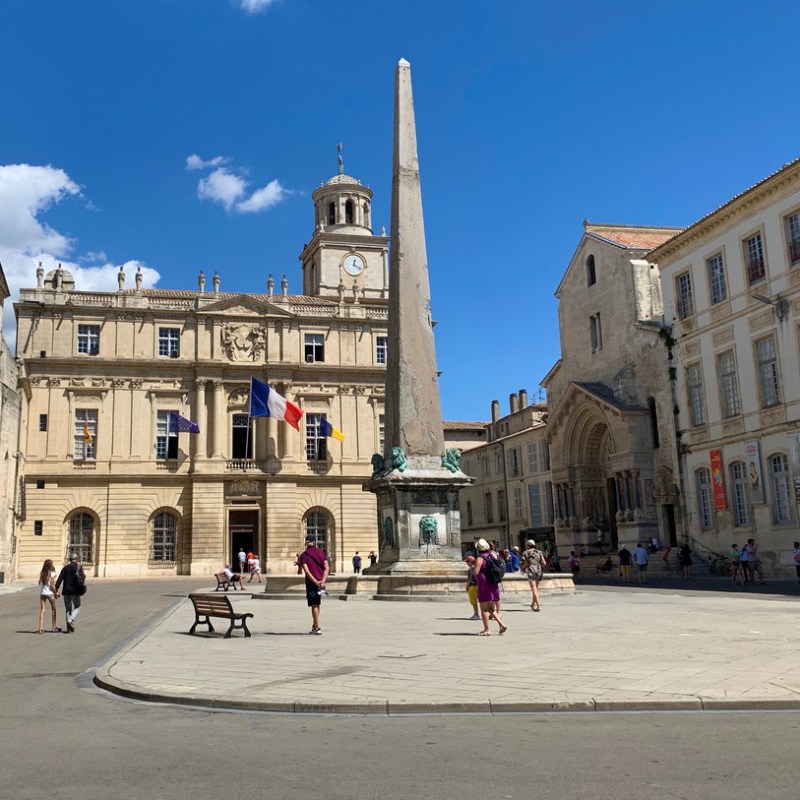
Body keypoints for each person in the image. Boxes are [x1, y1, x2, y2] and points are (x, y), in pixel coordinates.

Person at [472, 539, 507, 636]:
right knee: (491, 608)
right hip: (493, 583)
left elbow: (476, 573)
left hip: (484, 585)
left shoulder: (480, 558)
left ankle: (487, 630)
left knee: (484, 609)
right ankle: (502, 624)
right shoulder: (492, 556)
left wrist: (472, 568)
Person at [298, 537, 330, 634]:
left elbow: (307, 572)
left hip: (312, 583)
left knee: (314, 604)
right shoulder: (321, 552)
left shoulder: (303, 555)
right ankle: (314, 625)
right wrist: (322, 581)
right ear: (314, 542)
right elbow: (326, 568)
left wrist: (316, 582)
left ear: (306, 543)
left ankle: (317, 628)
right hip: (320, 581)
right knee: (317, 603)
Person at [55, 553, 85, 633]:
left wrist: (56, 590)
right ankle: (71, 620)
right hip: (75, 591)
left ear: (69, 560)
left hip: (66, 591)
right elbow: (83, 577)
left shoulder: (65, 568)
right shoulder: (79, 567)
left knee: (68, 609)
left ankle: (68, 629)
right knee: (78, 606)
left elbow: (59, 580)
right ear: (77, 559)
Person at [521, 539, 545, 612]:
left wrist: (522, 567)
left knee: (534, 589)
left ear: (527, 545)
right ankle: (532, 604)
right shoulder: (539, 552)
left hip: (531, 570)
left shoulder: (525, 553)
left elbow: (525, 564)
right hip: (539, 570)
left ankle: (538, 605)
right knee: (536, 589)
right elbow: (544, 563)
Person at [37, 559, 60, 633]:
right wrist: (56, 593)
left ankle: (40, 628)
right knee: (53, 609)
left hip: (42, 593)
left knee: (42, 610)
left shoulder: (42, 573)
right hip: (49, 593)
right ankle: (53, 627)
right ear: (51, 565)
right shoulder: (52, 573)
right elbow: (52, 585)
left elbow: (40, 583)